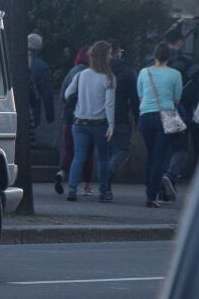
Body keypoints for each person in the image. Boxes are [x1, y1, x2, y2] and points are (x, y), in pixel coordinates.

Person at [63, 41, 116, 202]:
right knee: (103, 158)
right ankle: (103, 192)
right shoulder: (108, 77)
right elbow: (109, 104)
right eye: (109, 54)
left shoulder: (81, 75)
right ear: (104, 56)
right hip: (99, 123)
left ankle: (72, 190)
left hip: (79, 122)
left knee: (78, 157)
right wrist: (111, 125)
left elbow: (67, 94)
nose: (111, 57)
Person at [156, 28, 199, 200]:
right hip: (175, 110)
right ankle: (170, 176)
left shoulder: (150, 64)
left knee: (160, 149)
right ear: (180, 42)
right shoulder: (184, 62)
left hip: (151, 110)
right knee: (180, 148)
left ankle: (158, 187)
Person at [137, 42, 184, 208]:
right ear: (169, 57)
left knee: (150, 154)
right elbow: (177, 100)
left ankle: (148, 185)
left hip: (146, 116)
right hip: (166, 116)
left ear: (154, 55)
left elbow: (141, 96)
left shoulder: (144, 72)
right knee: (160, 157)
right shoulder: (175, 74)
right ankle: (152, 194)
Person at [55, 47, 95, 195]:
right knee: (87, 153)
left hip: (68, 117)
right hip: (84, 117)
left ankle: (61, 172)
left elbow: (63, 95)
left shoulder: (71, 72)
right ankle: (87, 185)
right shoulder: (88, 73)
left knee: (69, 150)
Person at [107, 40, 141, 179]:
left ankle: (105, 185)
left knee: (106, 151)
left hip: (100, 116)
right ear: (117, 53)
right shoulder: (128, 72)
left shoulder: (99, 69)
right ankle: (109, 171)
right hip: (121, 115)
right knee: (122, 149)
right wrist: (137, 118)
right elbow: (134, 98)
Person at [27, 33, 55, 137]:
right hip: (33, 110)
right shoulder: (42, 67)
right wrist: (50, 116)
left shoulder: (11, 60)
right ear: (39, 48)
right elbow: (47, 94)